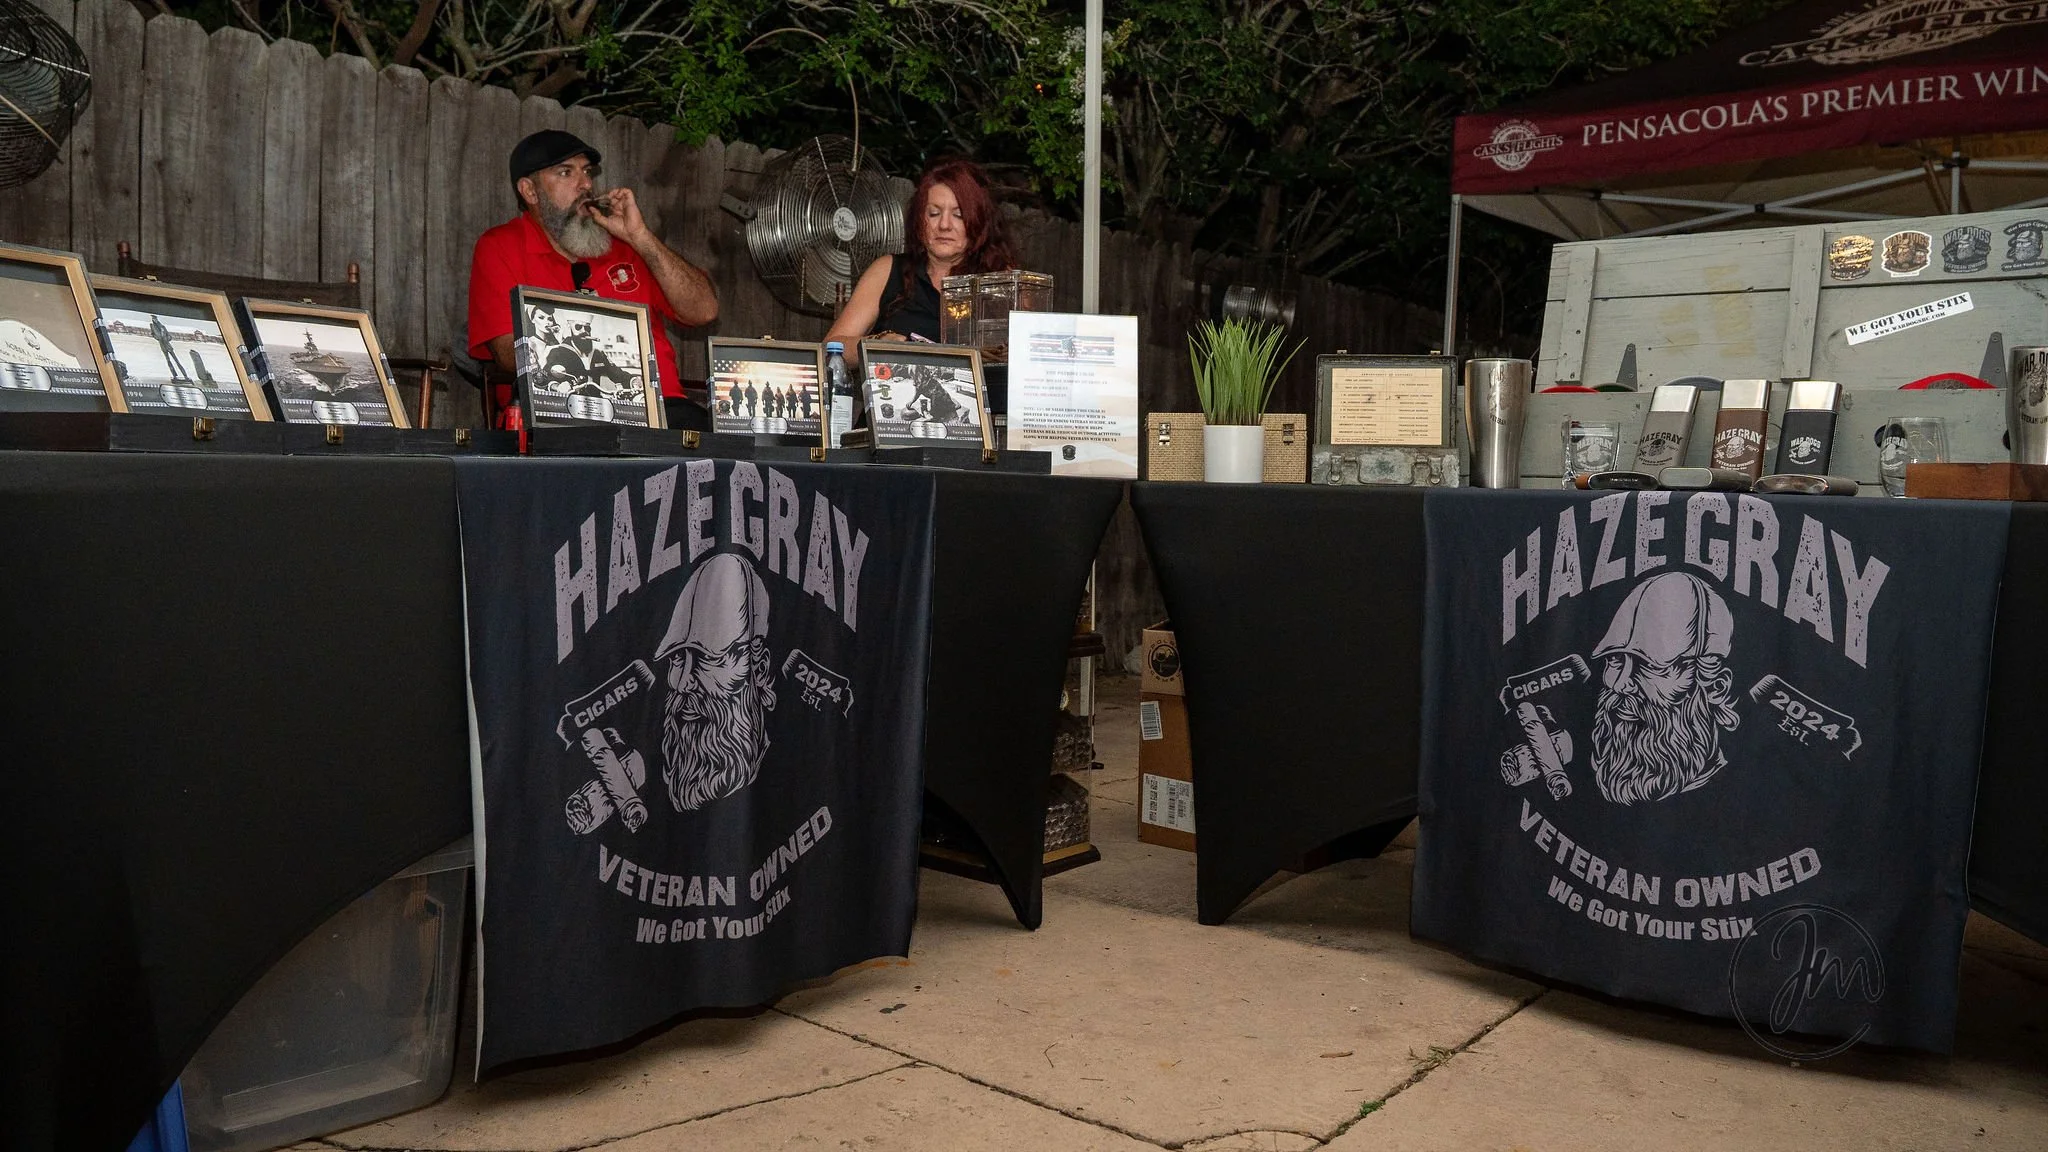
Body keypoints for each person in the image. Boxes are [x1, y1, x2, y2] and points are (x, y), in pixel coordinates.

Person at [467, 130, 718, 426]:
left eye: (587, 172)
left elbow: (704, 310)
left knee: (733, 454)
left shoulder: (624, 245)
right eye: (566, 172)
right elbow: (510, 355)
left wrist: (641, 237)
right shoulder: (501, 246)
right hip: (561, 409)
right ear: (530, 191)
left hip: (660, 410)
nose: (586, 183)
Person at [824, 157, 1015, 351]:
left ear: (978, 222)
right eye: (933, 213)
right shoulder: (887, 270)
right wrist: (877, 344)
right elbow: (831, 347)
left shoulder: (1000, 280)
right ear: (918, 220)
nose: (944, 225)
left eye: (958, 215)